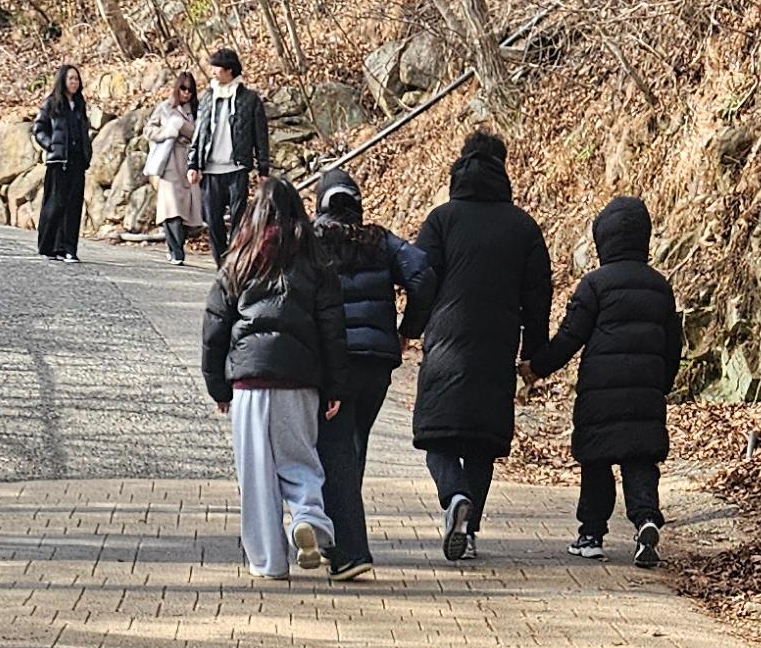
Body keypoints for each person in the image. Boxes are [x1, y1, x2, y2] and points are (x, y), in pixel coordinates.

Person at [404, 125, 552, 563]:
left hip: (447, 343)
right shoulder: (524, 227)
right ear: (502, 171)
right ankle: (468, 533)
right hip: (497, 346)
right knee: (482, 444)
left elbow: (421, 279)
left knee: (437, 438)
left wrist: (409, 329)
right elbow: (538, 293)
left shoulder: (442, 219)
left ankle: (453, 498)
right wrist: (534, 354)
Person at [200, 174, 346, 577]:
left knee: (256, 474)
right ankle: (308, 519)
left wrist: (218, 384)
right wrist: (335, 386)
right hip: (300, 380)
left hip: (248, 381)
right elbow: (333, 331)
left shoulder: (239, 259)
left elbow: (214, 327)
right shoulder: (316, 262)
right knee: (299, 460)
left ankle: (267, 561)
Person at [536, 193, 685, 566]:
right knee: (640, 462)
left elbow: (571, 336)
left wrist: (537, 367)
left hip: (600, 393)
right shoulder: (659, 286)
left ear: (604, 238)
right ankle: (646, 520)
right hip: (645, 391)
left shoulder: (595, 284)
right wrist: (661, 384)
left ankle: (590, 535)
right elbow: (673, 344)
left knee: (596, 462)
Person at [311, 173, 427, 580]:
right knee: (352, 443)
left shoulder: (313, 239)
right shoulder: (379, 240)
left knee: (334, 447)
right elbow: (422, 272)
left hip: (334, 361)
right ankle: (340, 533)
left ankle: (348, 548)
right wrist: (408, 329)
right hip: (377, 361)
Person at [193, 46, 271, 264]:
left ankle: (235, 263)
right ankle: (221, 264)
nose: (213, 72)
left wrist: (263, 169)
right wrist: (193, 164)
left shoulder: (250, 99)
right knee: (212, 220)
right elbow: (199, 133)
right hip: (210, 170)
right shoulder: (207, 97)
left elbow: (260, 136)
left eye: (216, 68)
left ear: (229, 70)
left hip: (237, 168)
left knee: (238, 221)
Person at [32, 65, 93, 261]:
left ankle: (68, 248)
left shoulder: (80, 104)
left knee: (73, 206)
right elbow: (39, 129)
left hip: (76, 161)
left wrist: (86, 153)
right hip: (58, 161)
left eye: (77, 79)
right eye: (71, 79)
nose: (74, 82)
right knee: (55, 205)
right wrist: (51, 146)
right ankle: (48, 245)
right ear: (62, 81)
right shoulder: (51, 103)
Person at [143, 66, 203, 264]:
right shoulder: (164, 108)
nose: (186, 93)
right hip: (169, 161)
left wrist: (183, 128)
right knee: (171, 208)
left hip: (189, 160)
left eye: (190, 90)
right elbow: (149, 130)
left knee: (188, 209)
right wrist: (166, 132)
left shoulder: (197, 110)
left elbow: (200, 135)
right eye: (183, 89)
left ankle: (175, 246)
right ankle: (176, 251)